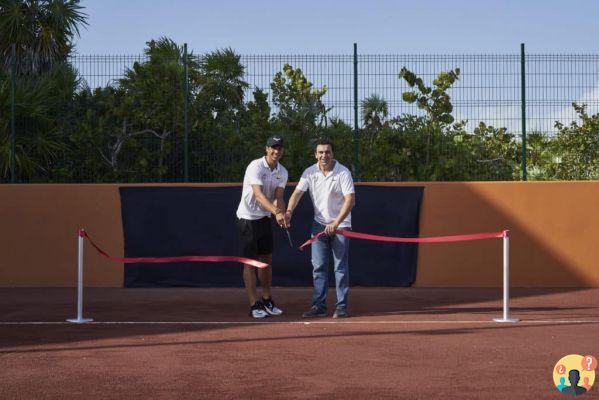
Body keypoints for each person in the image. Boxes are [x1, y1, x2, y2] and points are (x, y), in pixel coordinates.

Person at [285, 138, 355, 318]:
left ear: (333, 154)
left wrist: (336, 223)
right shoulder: (309, 172)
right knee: (319, 267)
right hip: (319, 226)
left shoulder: (343, 172)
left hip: (341, 226)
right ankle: (319, 306)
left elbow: (350, 200)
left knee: (340, 267)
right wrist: (288, 212)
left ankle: (341, 307)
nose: (324, 155)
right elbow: (296, 194)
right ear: (315, 154)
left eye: (328, 152)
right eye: (321, 152)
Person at [236, 136, 288, 318]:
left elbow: (279, 197)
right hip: (247, 218)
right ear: (266, 149)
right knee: (250, 263)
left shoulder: (283, 171)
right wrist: (276, 211)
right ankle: (253, 304)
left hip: (264, 218)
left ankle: (266, 300)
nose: (276, 151)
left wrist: (281, 212)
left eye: (279, 148)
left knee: (266, 261)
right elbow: (258, 195)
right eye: (273, 148)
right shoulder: (255, 166)